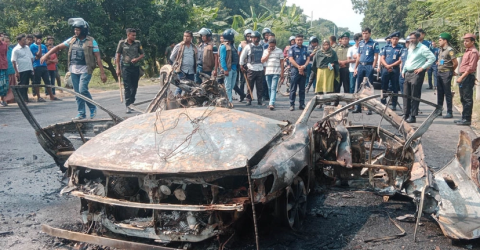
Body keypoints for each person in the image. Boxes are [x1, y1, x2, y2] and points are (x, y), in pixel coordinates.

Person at [41, 18, 107, 120]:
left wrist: (102, 73)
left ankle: (92, 107)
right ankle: (81, 113)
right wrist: (46, 55)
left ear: (83, 30)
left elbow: (98, 57)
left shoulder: (91, 41)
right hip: (73, 69)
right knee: (77, 92)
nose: (75, 31)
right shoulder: (72, 40)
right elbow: (58, 47)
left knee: (82, 89)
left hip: (86, 69)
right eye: (75, 29)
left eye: (78, 30)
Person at [401, 31, 436, 123]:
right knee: (406, 94)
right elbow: (407, 60)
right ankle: (406, 114)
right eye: (410, 38)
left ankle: (413, 116)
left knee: (414, 95)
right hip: (408, 73)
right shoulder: (410, 47)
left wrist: (422, 68)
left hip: (416, 74)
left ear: (417, 38)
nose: (411, 40)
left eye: (412, 38)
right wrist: (403, 70)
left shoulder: (423, 48)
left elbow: (432, 58)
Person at [116, 28, 145, 113]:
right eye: (133, 35)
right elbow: (118, 56)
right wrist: (117, 68)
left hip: (135, 67)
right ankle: (128, 105)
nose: (134, 37)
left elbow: (142, 54)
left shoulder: (138, 43)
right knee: (127, 87)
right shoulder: (121, 43)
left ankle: (132, 102)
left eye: (135, 35)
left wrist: (137, 59)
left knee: (134, 87)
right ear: (128, 35)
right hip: (126, 67)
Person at [353, 27, 379, 114]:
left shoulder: (374, 43)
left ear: (370, 34)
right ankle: (358, 107)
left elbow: (376, 56)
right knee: (359, 86)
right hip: (361, 65)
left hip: (369, 66)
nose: (364, 35)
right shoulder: (360, 43)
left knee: (368, 87)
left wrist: (373, 67)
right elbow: (358, 56)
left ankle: (369, 108)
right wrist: (355, 68)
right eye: (363, 33)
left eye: (366, 33)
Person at [455, 33, 479, 126]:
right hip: (465, 76)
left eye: (467, 41)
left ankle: (467, 119)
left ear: (472, 42)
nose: (465, 42)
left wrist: (461, 77)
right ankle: (463, 118)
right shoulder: (467, 51)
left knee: (467, 98)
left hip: (467, 77)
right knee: (463, 98)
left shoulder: (473, 52)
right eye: (464, 41)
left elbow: (470, 67)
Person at [436, 32, 458, 119]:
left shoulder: (450, 50)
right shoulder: (441, 50)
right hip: (439, 72)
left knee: (447, 92)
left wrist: (451, 70)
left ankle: (449, 112)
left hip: (446, 73)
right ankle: (439, 110)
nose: (439, 41)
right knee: (440, 92)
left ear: (445, 40)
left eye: (440, 40)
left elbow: (455, 62)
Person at [30, 33, 58, 102]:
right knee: (37, 82)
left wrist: (44, 56)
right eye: (37, 38)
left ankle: (51, 96)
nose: (38, 40)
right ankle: (39, 97)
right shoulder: (32, 46)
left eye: (40, 38)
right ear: (35, 39)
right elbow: (39, 55)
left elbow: (48, 56)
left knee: (47, 81)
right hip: (36, 66)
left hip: (44, 65)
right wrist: (39, 46)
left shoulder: (44, 46)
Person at [239, 31, 264, 106]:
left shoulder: (261, 47)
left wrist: (264, 67)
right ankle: (248, 100)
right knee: (250, 85)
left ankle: (260, 100)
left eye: (256, 38)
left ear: (259, 38)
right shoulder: (248, 46)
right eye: (253, 38)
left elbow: (263, 58)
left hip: (260, 68)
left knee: (260, 87)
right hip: (251, 69)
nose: (255, 39)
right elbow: (242, 57)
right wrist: (241, 65)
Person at [170, 30, 197, 97]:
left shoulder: (193, 47)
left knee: (191, 88)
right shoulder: (179, 46)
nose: (185, 38)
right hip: (182, 70)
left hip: (191, 71)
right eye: (184, 36)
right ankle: (176, 100)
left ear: (191, 38)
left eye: (187, 36)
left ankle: (187, 101)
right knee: (181, 87)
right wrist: (176, 65)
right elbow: (172, 57)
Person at [380, 31, 402, 110]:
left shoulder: (400, 48)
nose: (395, 40)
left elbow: (400, 60)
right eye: (393, 39)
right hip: (385, 69)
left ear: (398, 40)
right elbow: (382, 58)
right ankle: (382, 102)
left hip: (395, 70)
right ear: (391, 39)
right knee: (383, 86)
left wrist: (390, 66)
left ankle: (394, 104)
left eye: (396, 39)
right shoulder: (386, 47)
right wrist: (386, 66)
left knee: (395, 87)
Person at [288, 34, 309, 111]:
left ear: (303, 40)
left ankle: (302, 104)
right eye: (298, 40)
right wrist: (298, 67)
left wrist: (304, 66)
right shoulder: (292, 48)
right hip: (295, 70)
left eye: (301, 39)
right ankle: (292, 104)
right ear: (295, 40)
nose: (299, 41)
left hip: (303, 69)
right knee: (293, 88)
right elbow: (291, 59)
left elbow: (308, 58)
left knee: (302, 89)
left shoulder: (305, 48)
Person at [261, 37, 284, 110]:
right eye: (270, 46)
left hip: (276, 72)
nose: (272, 47)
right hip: (268, 72)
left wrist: (282, 72)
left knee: (273, 88)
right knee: (269, 88)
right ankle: (272, 101)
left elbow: (282, 62)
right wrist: (268, 53)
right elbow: (262, 60)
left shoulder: (279, 51)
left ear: (275, 45)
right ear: (268, 44)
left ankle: (271, 103)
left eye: (273, 46)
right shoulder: (265, 51)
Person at [11, 34, 34, 103]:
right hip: (21, 69)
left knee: (27, 84)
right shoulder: (16, 50)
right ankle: (22, 99)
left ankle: (26, 98)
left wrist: (32, 68)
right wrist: (16, 72)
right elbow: (13, 61)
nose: (25, 41)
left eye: (25, 40)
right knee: (22, 84)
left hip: (29, 68)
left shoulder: (27, 47)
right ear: (19, 41)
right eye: (23, 40)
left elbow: (31, 57)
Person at [219, 29, 239, 106]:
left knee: (232, 85)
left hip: (234, 68)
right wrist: (225, 69)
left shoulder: (232, 45)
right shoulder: (223, 46)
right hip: (229, 69)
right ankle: (229, 101)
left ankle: (228, 99)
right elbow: (222, 59)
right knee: (228, 86)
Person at [236, 29, 253, 102]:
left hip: (251, 64)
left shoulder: (253, 44)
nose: (249, 37)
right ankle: (241, 95)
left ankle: (249, 96)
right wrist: (240, 64)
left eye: (250, 36)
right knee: (242, 81)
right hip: (243, 64)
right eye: (247, 36)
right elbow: (239, 53)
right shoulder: (241, 44)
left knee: (250, 81)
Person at [4, 36, 16, 104]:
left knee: (12, 86)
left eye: (8, 41)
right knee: (6, 86)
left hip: (12, 70)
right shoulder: (2, 50)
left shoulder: (11, 50)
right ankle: (5, 99)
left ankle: (11, 99)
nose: (7, 43)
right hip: (4, 70)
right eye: (6, 41)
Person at [0, 35, 9, 106]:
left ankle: (2, 99)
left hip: (3, 66)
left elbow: (5, 55)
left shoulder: (4, 45)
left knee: (4, 84)